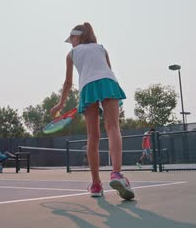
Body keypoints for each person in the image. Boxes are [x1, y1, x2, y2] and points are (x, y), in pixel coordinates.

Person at [50, 22, 134, 200]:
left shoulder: (71, 54)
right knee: (112, 128)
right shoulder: (101, 48)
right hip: (108, 83)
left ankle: (96, 185)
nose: (70, 42)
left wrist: (59, 105)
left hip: (87, 87)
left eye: (71, 38)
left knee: (92, 136)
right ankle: (117, 174)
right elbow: (107, 71)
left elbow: (67, 84)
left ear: (77, 37)